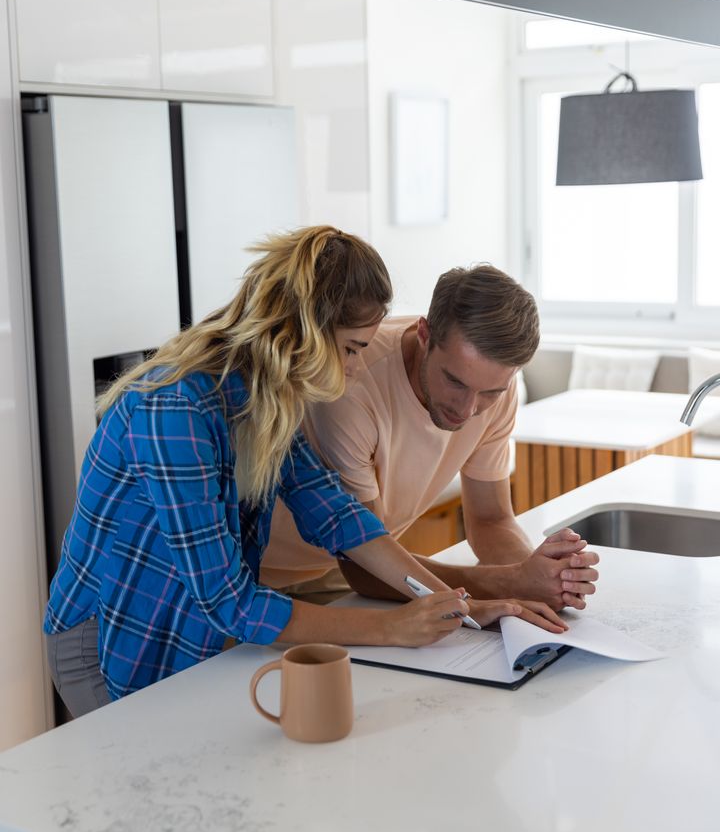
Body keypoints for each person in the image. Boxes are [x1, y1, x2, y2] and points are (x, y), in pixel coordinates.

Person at [44, 228, 566, 718]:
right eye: (351, 350)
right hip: (111, 639)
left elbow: (339, 518)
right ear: (303, 332)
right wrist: (395, 628)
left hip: (187, 628)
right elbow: (232, 603)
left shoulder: (263, 398)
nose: (358, 368)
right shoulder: (176, 409)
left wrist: (462, 608)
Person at [260, 263, 600, 608]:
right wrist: (510, 582)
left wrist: (536, 574)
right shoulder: (353, 386)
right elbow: (365, 561)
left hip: (342, 570)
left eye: (491, 392)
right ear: (424, 334)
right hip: (261, 576)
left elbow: (490, 520)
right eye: (455, 381)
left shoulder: (497, 389)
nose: (468, 410)